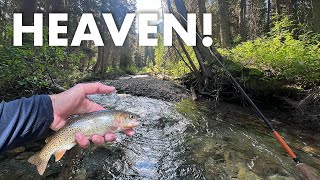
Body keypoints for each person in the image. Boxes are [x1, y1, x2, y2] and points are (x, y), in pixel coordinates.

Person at [0, 83, 134, 152]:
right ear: (120, 118)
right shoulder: (115, 124)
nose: (134, 119)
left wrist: (50, 108)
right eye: (131, 117)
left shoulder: (116, 121)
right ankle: (45, 154)